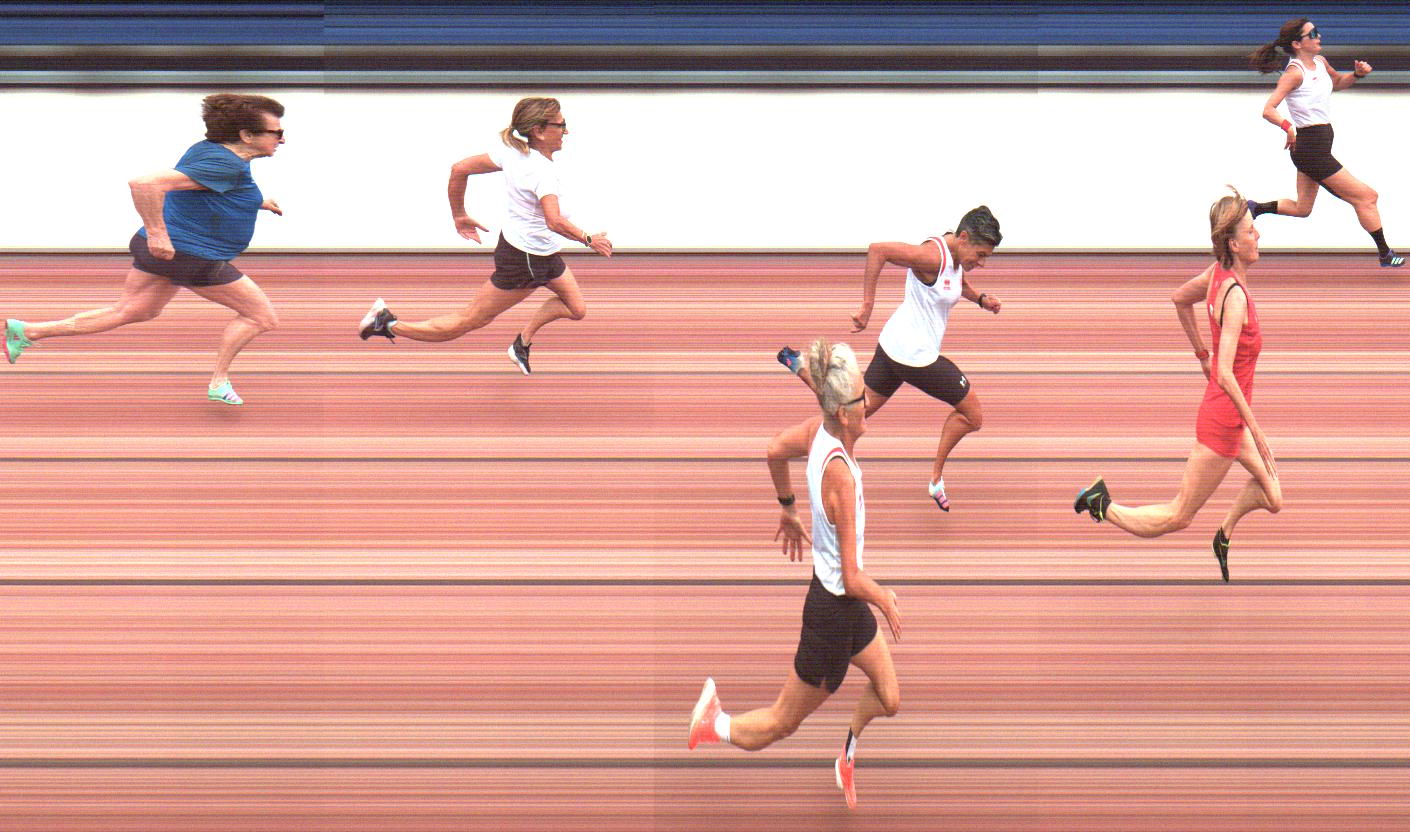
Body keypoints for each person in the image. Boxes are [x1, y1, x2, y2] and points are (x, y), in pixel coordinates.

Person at [687, 338, 901, 810]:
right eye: (861, 399)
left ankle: (846, 755)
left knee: (889, 697)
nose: (869, 404)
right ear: (843, 413)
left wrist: (788, 508)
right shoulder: (841, 477)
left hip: (846, 606)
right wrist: (884, 596)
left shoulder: (818, 430)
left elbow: (773, 451)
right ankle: (713, 723)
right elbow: (852, 578)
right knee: (783, 721)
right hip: (833, 611)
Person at [4, 94, 285, 404]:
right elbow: (145, 184)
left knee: (133, 310)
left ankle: (28, 331)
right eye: (277, 132)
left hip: (172, 254)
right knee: (261, 317)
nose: (283, 139)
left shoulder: (212, 153)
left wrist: (255, 202)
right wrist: (157, 233)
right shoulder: (225, 163)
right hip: (192, 256)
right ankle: (219, 382)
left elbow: (204, 189)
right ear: (247, 135)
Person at [1074, 190, 1283, 581]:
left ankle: (1223, 534)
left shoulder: (1216, 274)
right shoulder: (1235, 297)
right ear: (1234, 245)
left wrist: (1201, 354)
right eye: (1251, 232)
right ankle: (1102, 504)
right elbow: (1225, 372)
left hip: (1231, 416)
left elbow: (1179, 299)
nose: (1258, 236)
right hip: (1224, 424)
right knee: (1179, 515)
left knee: (1274, 496)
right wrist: (1255, 426)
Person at [359, 97, 613, 374]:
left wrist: (459, 215)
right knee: (470, 319)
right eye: (561, 125)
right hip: (526, 260)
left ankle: (521, 343)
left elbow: (460, 169)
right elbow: (554, 221)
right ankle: (386, 323)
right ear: (539, 131)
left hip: (538, 251)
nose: (566, 131)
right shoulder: (541, 172)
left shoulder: (513, 151)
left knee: (576, 308)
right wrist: (589, 239)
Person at [777, 206, 1003, 512]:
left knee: (854, 412)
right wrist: (867, 305)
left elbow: (956, 282)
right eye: (981, 254)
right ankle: (935, 480)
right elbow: (878, 250)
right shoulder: (932, 257)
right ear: (963, 238)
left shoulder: (955, 254)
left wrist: (980, 299)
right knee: (973, 415)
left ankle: (801, 367)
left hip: (893, 345)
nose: (982, 262)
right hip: (915, 357)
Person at [1245, 17, 1402, 267]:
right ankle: (1385, 254)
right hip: (1311, 150)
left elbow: (1338, 82)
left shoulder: (1320, 62)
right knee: (1367, 197)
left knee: (1302, 209)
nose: (1318, 36)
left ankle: (1255, 208)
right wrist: (1287, 127)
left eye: (1317, 31)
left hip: (1314, 148)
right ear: (1297, 43)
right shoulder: (1294, 73)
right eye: (1312, 33)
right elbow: (1268, 109)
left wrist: (1357, 75)